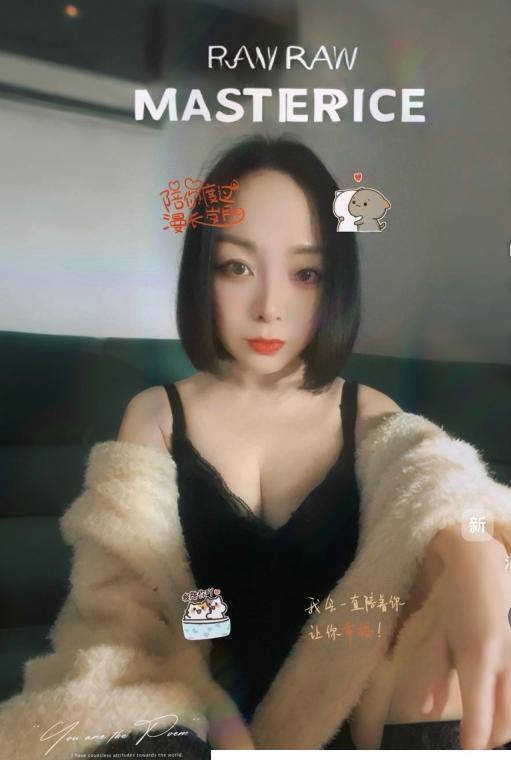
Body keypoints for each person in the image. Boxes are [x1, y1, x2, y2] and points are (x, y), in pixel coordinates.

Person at [1, 136, 510, 759]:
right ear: (203, 272)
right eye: (237, 267)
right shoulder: (157, 415)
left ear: (334, 284)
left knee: (450, 660)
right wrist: (218, 719)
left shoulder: (367, 414)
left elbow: (436, 481)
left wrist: (474, 553)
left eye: (305, 274)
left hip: (350, 716)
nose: (270, 308)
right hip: (186, 713)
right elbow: (126, 606)